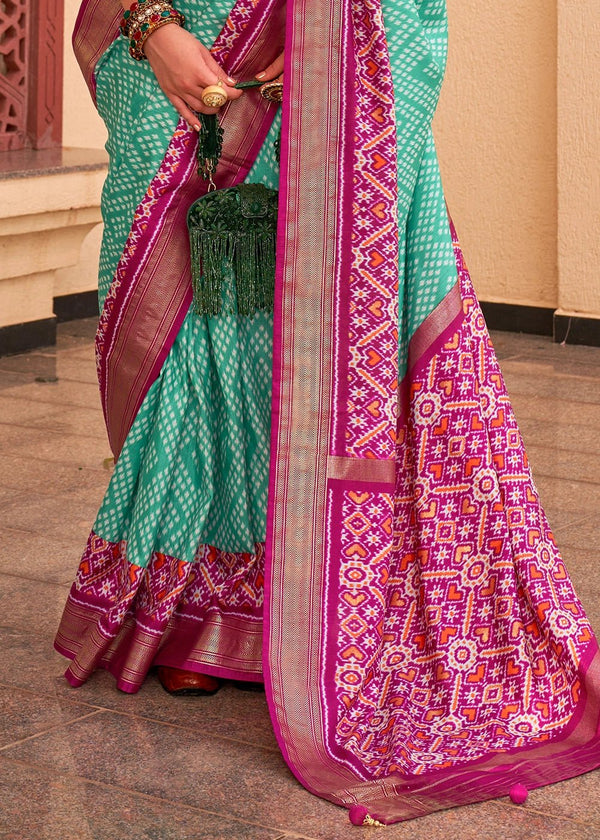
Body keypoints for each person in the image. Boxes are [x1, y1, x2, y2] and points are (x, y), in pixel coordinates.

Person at [55, 0, 600, 825]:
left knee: (294, 320)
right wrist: (151, 27)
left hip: (318, 55)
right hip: (163, 49)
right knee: (179, 320)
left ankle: (290, 598)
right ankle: (187, 609)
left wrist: (334, 37)